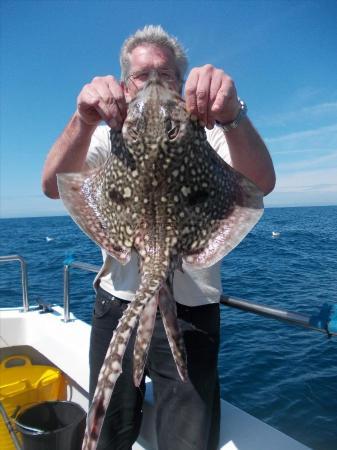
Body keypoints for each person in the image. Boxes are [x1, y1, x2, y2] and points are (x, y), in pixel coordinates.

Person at [42, 25, 275, 450]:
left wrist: (232, 114)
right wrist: (82, 117)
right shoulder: (107, 133)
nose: (151, 83)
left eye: (164, 75)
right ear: (123, 83)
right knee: (108, 434)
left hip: (191, 316)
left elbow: (259, 182)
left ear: (182, 84)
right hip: (115, 305)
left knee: (187, 442)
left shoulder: (212, 130)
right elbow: (52, 184)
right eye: (140, 75)